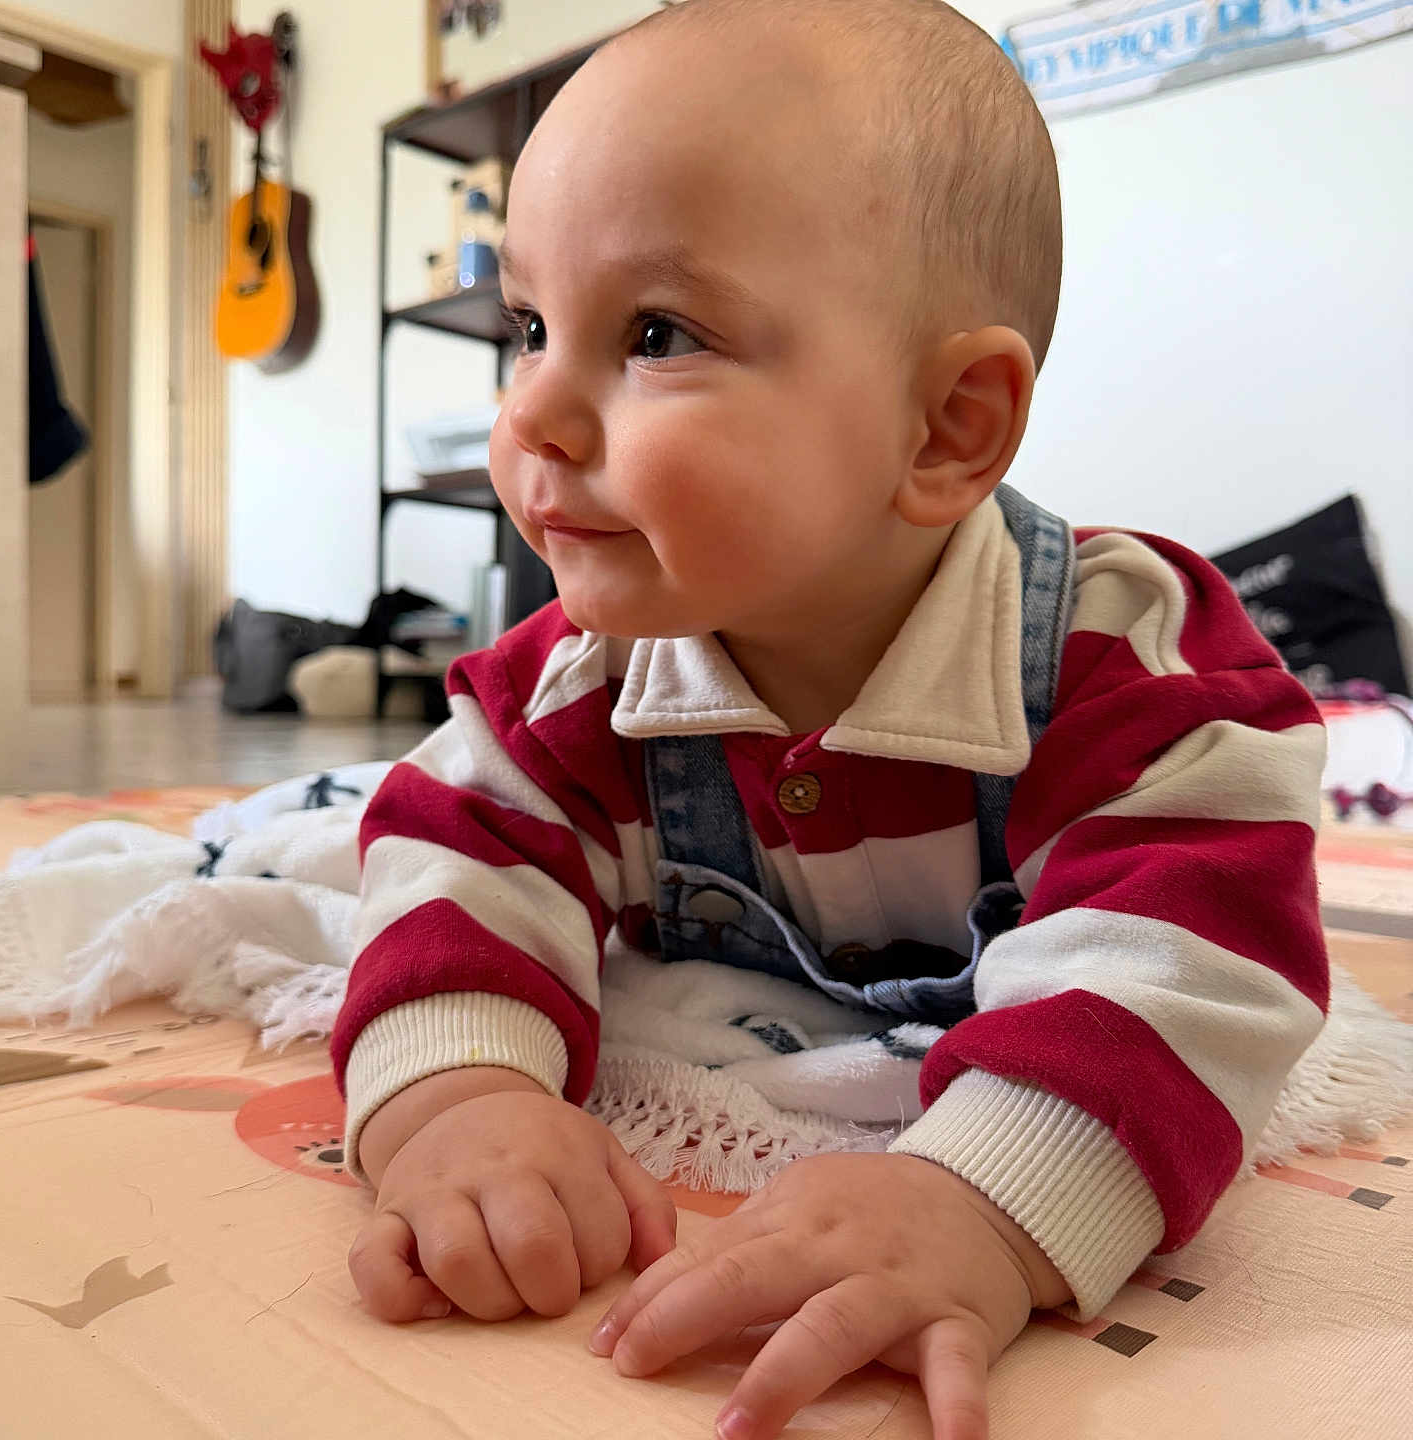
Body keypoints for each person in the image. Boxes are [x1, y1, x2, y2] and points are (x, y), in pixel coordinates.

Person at [332, 2, 1328, 1436]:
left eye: (656, 333)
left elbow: (1197, 952)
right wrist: (457, 1097)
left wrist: (980, 1197)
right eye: (529, 326)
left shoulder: (1119, 662)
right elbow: (454, 856)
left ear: (946, 430)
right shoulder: (582, 684)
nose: (531, 412)